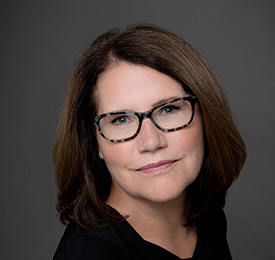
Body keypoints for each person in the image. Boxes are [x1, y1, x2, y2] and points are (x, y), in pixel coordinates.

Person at [52, 23, 246, 260]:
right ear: (94, 142)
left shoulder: (207, 219)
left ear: (206, 116)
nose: (151, 141)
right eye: (121, 119)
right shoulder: (89, 254)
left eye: (169, 109)